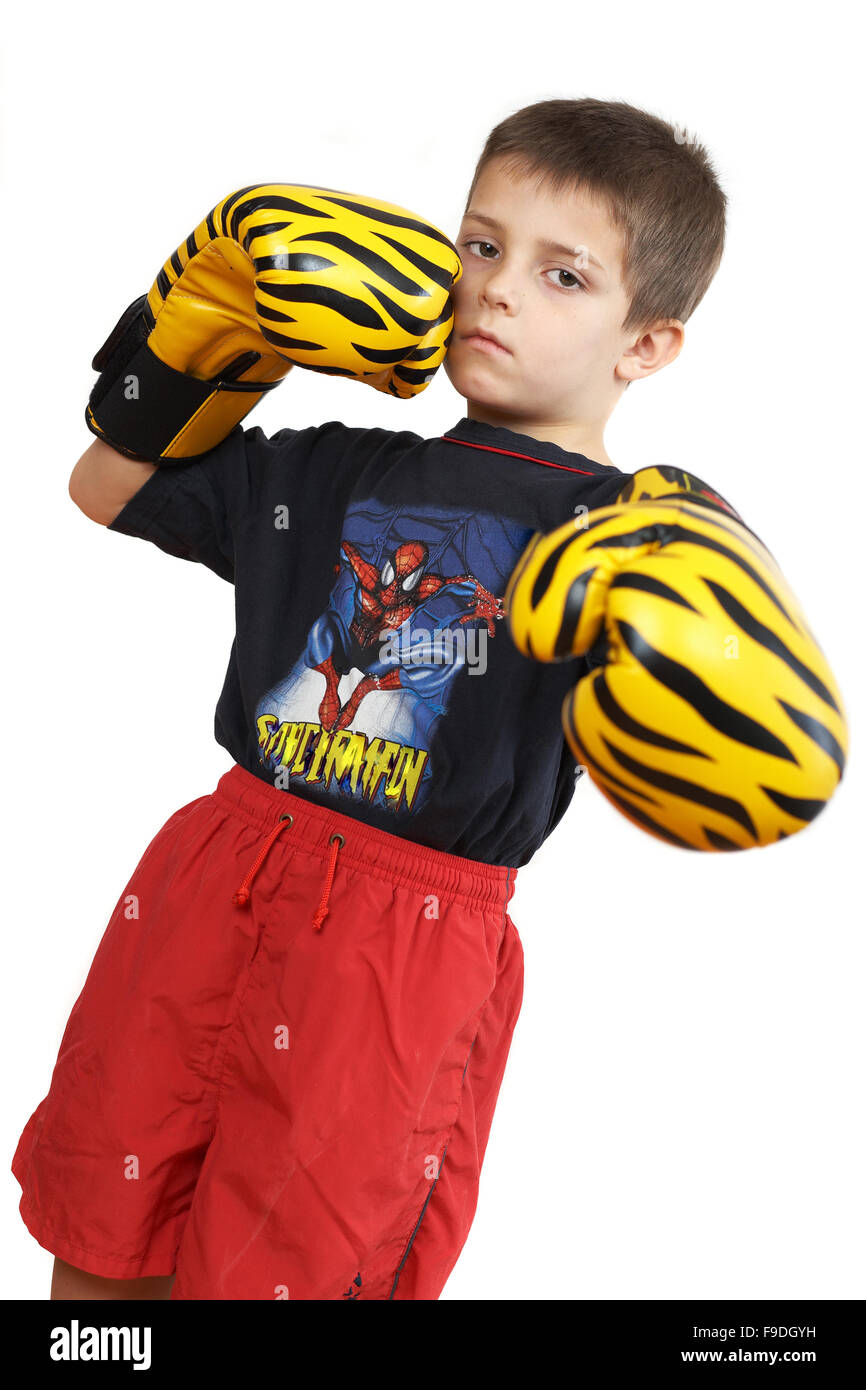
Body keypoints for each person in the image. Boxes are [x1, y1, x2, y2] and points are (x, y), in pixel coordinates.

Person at [10, 98, 822, 1301]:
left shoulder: (633, 534)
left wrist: (712, 648)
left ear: (643, 344)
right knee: (103, 1227)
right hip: (219, 866)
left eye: (560, 274)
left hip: (397, 949)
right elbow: (105, 482)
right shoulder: (331, 465)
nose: (494, 290)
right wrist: (199, 336)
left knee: (286, 1270)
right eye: (479, 245)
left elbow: (767, 775)